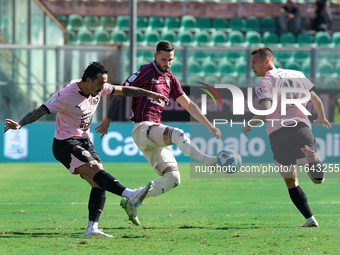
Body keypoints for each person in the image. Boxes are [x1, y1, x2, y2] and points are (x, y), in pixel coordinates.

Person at [3, 62, 169, 237]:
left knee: (99, 181)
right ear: (88, 80)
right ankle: (131, 194)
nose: (102, 88)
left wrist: (149, 93)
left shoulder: (99, 87)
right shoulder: (66, 95)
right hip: (65, 143)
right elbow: (41, 110)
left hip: (84, 141)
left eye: (104, 84)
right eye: (99, 84)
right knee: (95, 170)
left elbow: (124, 90)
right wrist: (20, 123)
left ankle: (92, 228)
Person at [95, 41, 221, 225]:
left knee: (173, 178)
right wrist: (107, 118)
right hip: (142, 128)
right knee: (177, 134)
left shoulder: (171, 79)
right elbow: (120, 91)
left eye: (170, 60)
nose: (167, 63)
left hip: (153, 133)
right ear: (155, 57)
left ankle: (133, 199)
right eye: (163, 59)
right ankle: (210, 161)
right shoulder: (146, 72)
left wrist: (209, 125)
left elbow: (188, 104)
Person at [243, 47, 332, 227]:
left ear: (267, 61)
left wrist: (249, 124)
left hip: (278, 133)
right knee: (317, 180)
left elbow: (265, 109)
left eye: (254, 62)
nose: (251, 66)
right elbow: (316, 100)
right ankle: (313, 161)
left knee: (291, 181)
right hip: (301, 127)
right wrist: (321, 116)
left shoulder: (264, 82)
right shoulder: (297, 74)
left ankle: (310, 219)